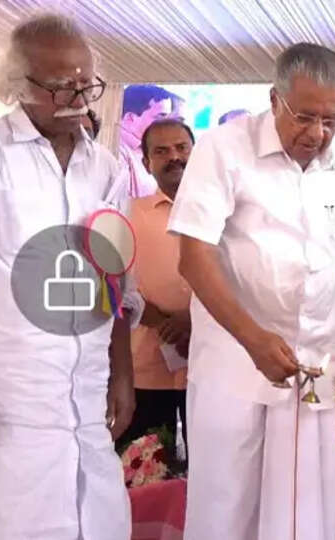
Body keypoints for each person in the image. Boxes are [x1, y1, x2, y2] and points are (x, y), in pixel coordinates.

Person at [168, 43, 335, 540]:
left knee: (310, 510)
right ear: (274, 99)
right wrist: (253, 339)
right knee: (229, 508)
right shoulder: (223, 149)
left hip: (318, 371)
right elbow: (194, 257)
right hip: (235, 366)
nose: (317, 133)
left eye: (332, 120)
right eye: (305, 117)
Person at [0, 13, 140, 539]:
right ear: (18, 85)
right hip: (11, 395)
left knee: (96, 519)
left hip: (88, 393)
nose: (78, 98)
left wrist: (122, 372)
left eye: (86, 84)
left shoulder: (106, 169)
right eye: (60, 86)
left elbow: (117, 278)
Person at [115, 119, 195, 454]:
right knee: (143, 471)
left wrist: (195, 319)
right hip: (145, 371)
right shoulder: (127, 215)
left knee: (214, 477)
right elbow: (111, 281)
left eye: (181, 148)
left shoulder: (229, 213)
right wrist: (160, 321)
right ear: (146, 163)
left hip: (207, 370)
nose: (173, 157)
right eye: (161, 151)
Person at [120, 84, 176, 198]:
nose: (167, 125)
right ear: (130, 118)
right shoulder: (116, 151)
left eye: (169, 118)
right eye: (160, 117)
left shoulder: (150, 147)